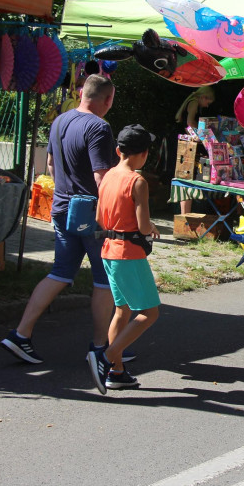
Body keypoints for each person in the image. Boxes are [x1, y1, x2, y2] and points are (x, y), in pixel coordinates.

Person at [1, 74, 131, 365]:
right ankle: (100, 348)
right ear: (107, 99)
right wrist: (116, 214)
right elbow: (102, 177)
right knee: (105, 280)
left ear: (82, 93)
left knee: (60, 272)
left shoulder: (60, 121)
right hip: (93, 213)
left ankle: (21, 334)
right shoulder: (99, 127)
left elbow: (49, 164)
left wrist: (66, 193)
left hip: (61, 207)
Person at [87, 124, 162, 393]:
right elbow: (142, 227)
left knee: (122, 311)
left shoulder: (107, 176)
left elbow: (98, 218)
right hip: (129, 253)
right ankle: (106, 358)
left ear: (118, 151)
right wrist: (152, 226)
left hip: (108, 249)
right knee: (149, 312)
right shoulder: (137, 181)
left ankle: (117, 372)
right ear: (144, 154)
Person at [171, 86, 216, 214]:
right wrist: (203, 132)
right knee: (186, 176)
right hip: (187, 145)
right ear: (203, 97)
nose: (207, 105)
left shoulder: (192, 102)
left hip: (184, 142)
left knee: (186, 176)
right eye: (208, 102)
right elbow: (190, 123)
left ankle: (185, 214)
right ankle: (185, 214)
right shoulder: (194, 103)